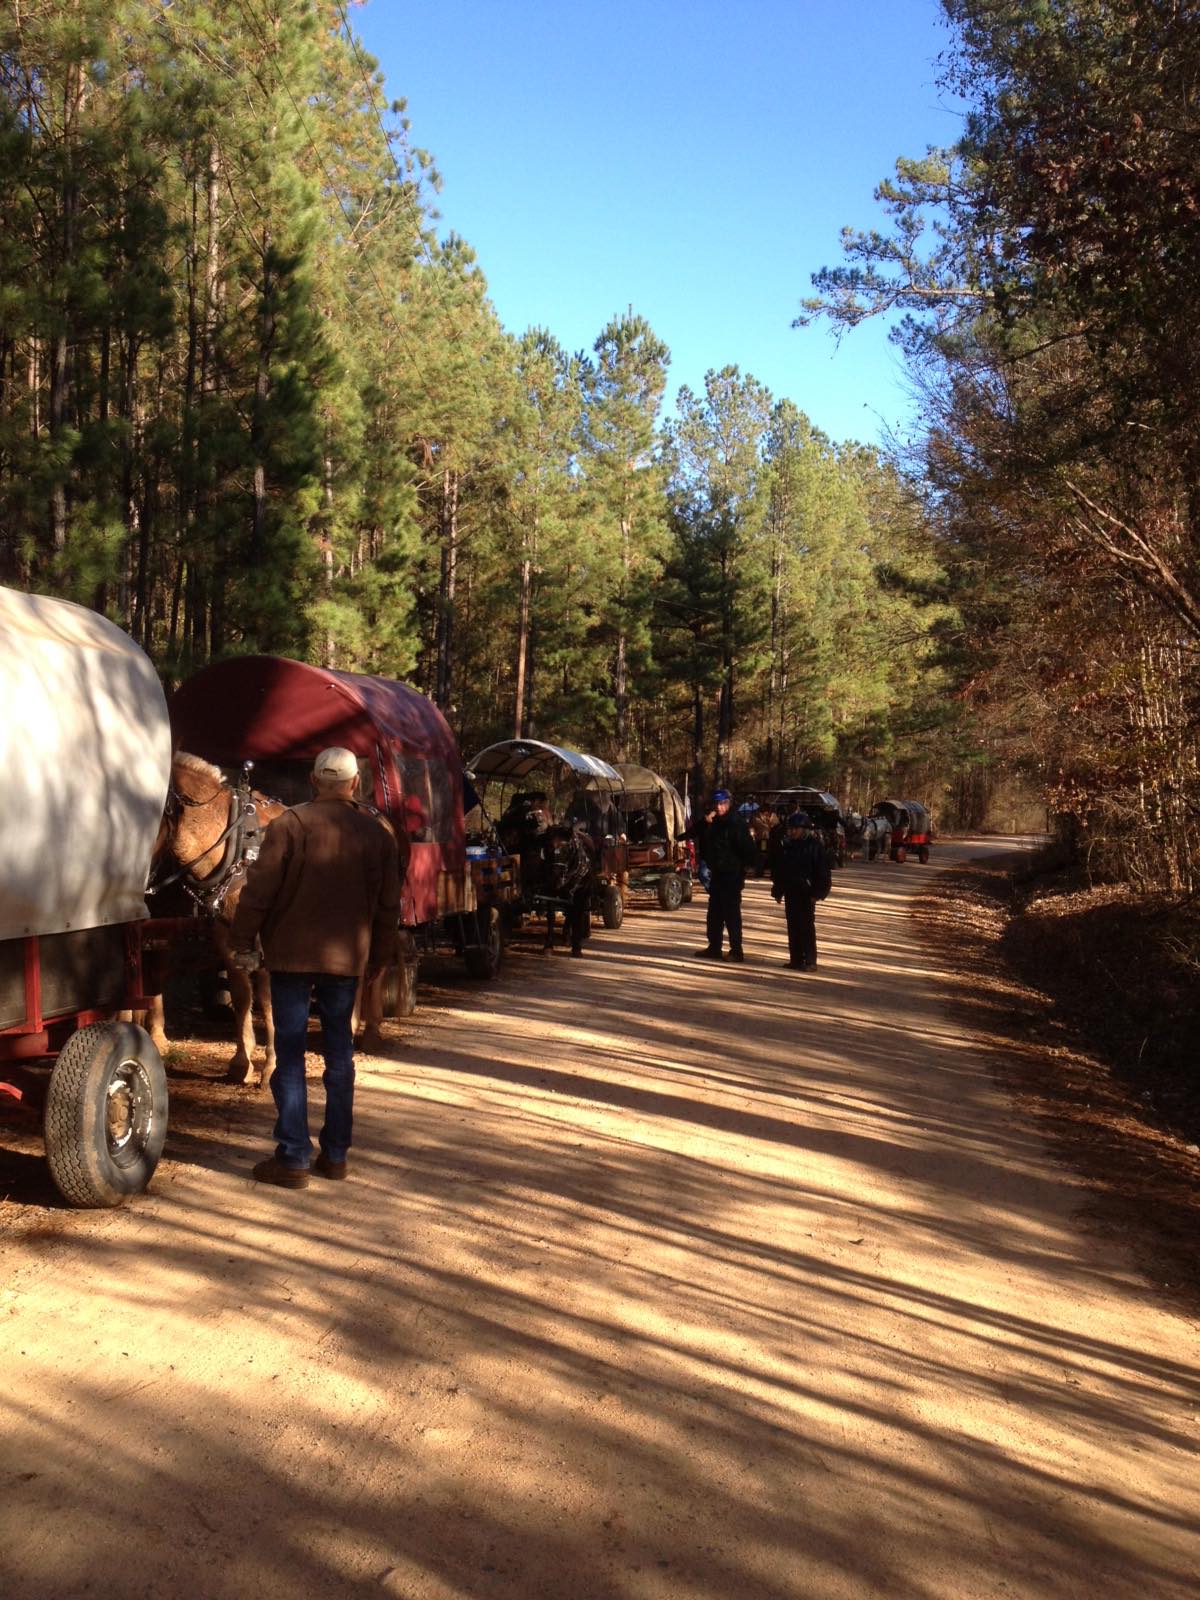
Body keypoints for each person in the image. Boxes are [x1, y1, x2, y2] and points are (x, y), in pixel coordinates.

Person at [230, 747, 402, 1188]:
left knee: (289, 1056)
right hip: (346, 962)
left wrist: (241, 940)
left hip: (289, 958)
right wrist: (379, 958)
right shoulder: (376, 834)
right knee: (339, 1055)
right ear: (355, 783)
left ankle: (292, 1159)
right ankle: (337, 1156)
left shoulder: (290, 825)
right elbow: (388, 907)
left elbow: (258, 891)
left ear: (313, 780)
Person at [691, 788, 757, 962]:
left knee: (731, 914)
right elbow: (706, 843)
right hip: (718, 874)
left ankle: (736, 950)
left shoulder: (736, 823)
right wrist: (707, 825)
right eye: (717, 804)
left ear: (728, 803)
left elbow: (748, 850)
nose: (719, 808)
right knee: (714, 913)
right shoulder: (714, 823)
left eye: (722, 804)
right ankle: (714, 947)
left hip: (732, 874)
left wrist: (745, 869)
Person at [770, 811, 832, 970]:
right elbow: (780, 871)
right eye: (790, 829)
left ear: (804, 829)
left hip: (807, 893)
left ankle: (810, 961)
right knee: (793, 926)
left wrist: (818, 893)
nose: (791, 832)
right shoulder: (787, 846)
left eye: (795, 829)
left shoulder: (815, 846)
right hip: (791, 892)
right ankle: (796, 959)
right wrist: (778, 890)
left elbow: (823, 872)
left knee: (806, 927)